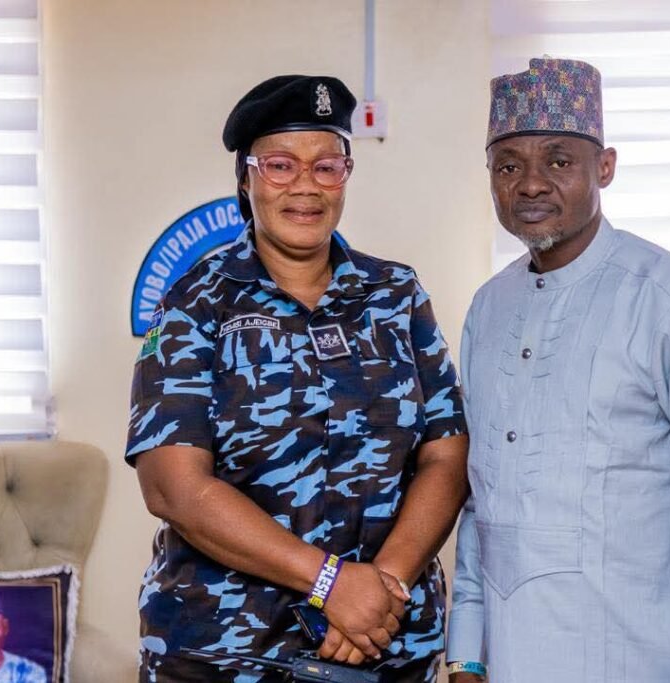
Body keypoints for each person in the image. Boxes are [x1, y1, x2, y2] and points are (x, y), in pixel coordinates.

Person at [127, 74, 469, 683]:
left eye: (327, 166)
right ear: (246, 178)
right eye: (281, 165)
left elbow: (447, 453)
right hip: (227, 652)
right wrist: (332, 584)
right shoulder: (195, 305)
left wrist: (382, 588)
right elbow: (173, 487)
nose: (306, 186)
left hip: (385, 645)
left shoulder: (396, 295)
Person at [446, 58, 670, 683]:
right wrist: (466, 653)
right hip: (507, 658)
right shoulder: (489, 307)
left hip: (638, 657)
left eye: (559, 161)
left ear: (605, 167)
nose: (531, 185)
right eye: (508, 166)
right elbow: (483, 494)